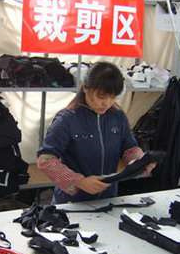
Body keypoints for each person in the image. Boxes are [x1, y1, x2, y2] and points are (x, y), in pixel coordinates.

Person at [37, 61, 156, 204]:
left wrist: (139, 161)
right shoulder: (67, 119)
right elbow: (46, 160)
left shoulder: (117, 117)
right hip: (72, 203)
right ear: (86, 88)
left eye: (113, 97)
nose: (107, 103)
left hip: (108, 199)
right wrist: (79, 181)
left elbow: (129, 147)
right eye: (101, 96)